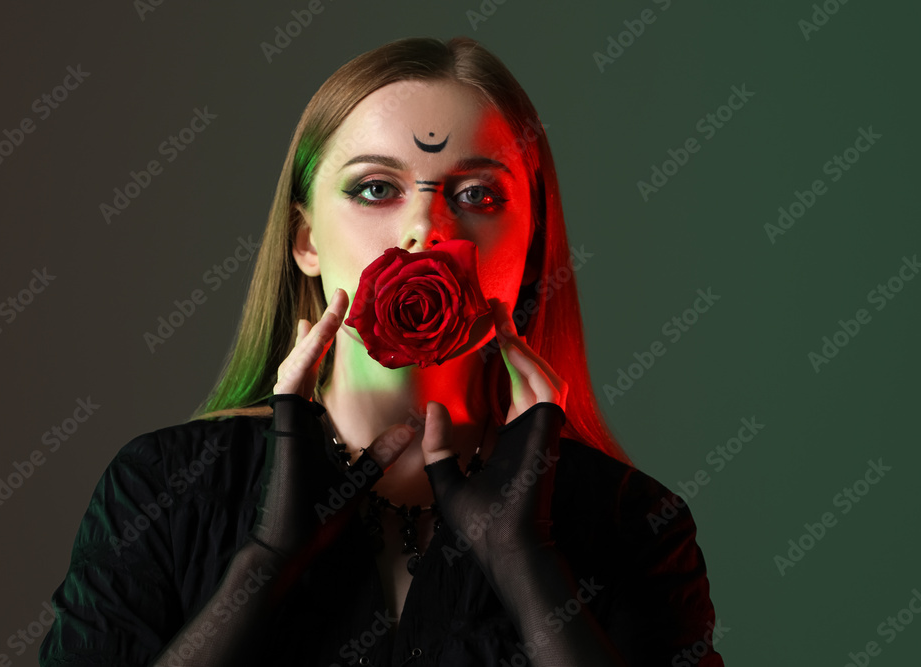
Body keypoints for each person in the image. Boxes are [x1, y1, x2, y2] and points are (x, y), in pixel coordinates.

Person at [39, 36, 725, 666]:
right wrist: (264, 562)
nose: (425, 228)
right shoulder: (160, 490)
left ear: (529, 248)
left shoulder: (636, 526)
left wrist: (528, 564)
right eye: (375, 189)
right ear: (304, 241)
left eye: (478, 194)